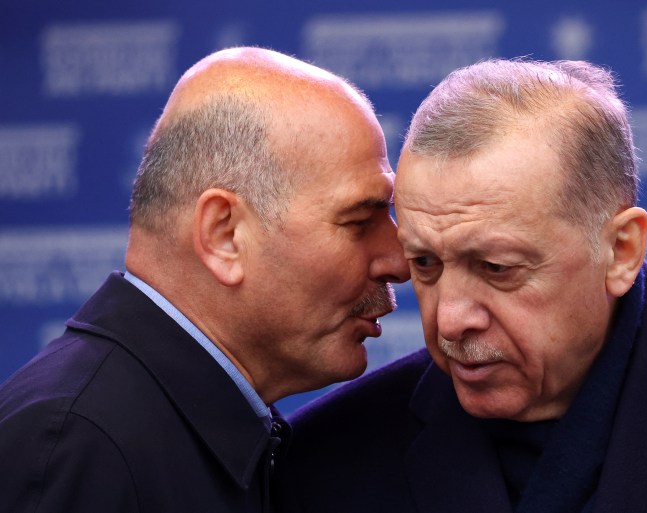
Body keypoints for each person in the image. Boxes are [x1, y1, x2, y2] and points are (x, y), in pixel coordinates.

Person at [276, 58, 647, 513]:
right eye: (425, 263)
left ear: (621, 251)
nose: (450, 319)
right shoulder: (322, 458)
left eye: (496, 268)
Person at [0, 46, 409, 513]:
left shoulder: (135, 432)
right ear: (224, 235)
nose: (399, 260)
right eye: (359, 221)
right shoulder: (76, 449)